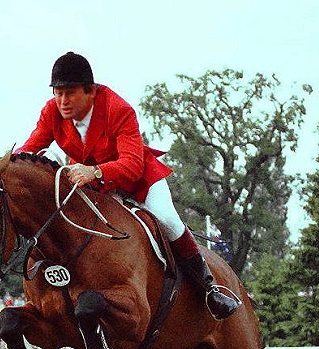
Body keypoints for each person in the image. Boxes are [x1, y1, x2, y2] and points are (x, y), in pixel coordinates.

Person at [17, 51, 240, 320]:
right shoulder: (52, 111)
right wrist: (5, 168)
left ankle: (208, 288)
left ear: (91, 91)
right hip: (92, 187)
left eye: (70, 92)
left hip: (139, 181)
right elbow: (30, 149)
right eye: (58, 92)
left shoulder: (117, 109)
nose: (62, 101)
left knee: (168, 219)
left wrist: (96, 171)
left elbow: (132, 164)